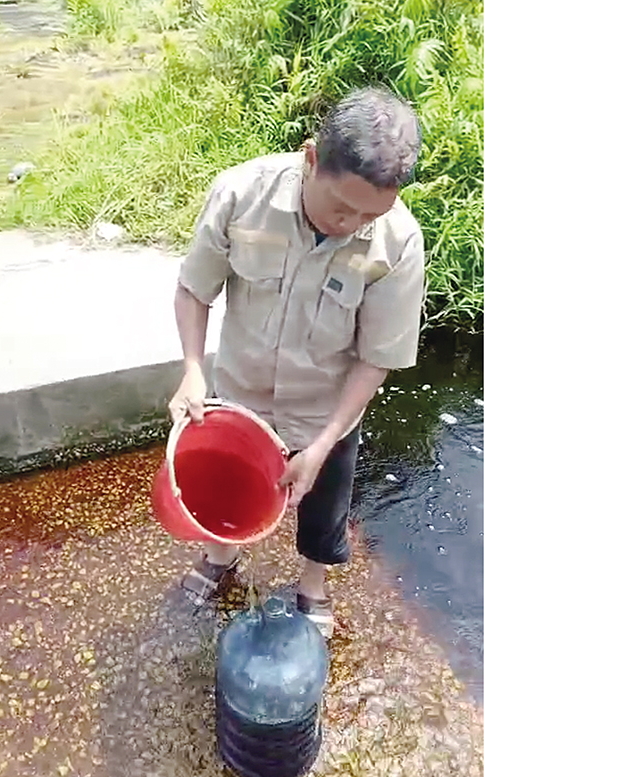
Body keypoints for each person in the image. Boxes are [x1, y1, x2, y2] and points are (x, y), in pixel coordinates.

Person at [167, 85, 427, 638]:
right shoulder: (242, 194)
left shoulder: (398, 241)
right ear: (312, 158)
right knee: (226, 486)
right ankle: (220, 558)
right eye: (340, 206)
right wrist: (192, 367)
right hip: (243, 395)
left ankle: (313, 583)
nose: (350, 223)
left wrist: (325, 440)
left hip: (325, 411)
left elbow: (376, 358)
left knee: (326, 505)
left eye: (368, 214)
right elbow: (195, 290)